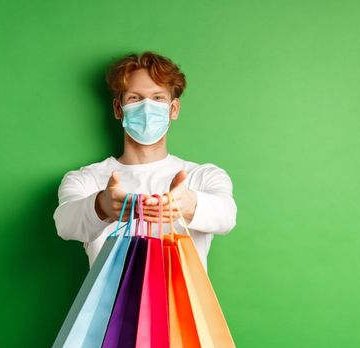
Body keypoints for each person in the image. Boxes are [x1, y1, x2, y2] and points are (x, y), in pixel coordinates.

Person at [52, 51, 237, 271]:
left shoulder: (203, 176)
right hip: (111, 307)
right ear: (118, 109)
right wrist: (102, 206)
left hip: (181, 307)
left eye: (158, 98)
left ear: (173, 109)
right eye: (135, 98)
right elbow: (65, 224)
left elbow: (227, 216)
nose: (147, 107)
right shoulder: (86, 179)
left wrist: (188, 204)